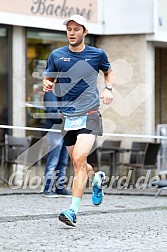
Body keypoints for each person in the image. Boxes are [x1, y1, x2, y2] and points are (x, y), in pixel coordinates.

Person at [43, 14, 114, 227]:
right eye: (69, 29)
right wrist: (47, 84)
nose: (72, 33)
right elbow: (50, 77)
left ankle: (72, 210)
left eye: (76, 29)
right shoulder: (56, 55)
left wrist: (108, 89)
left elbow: (108, 71)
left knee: (78, 160)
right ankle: (96, 179)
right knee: (80, 162)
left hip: (90, 114)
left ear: (84, 32)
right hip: (68, 117)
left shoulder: (96, 54)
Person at [43, 91, 71, 197]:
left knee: (63, 161)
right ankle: (47, 188)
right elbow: (52, 112)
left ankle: (60, 188)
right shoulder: (50, 93)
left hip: (65, 131)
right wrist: (67, 116)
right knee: (53, 161)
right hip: (54, 131)